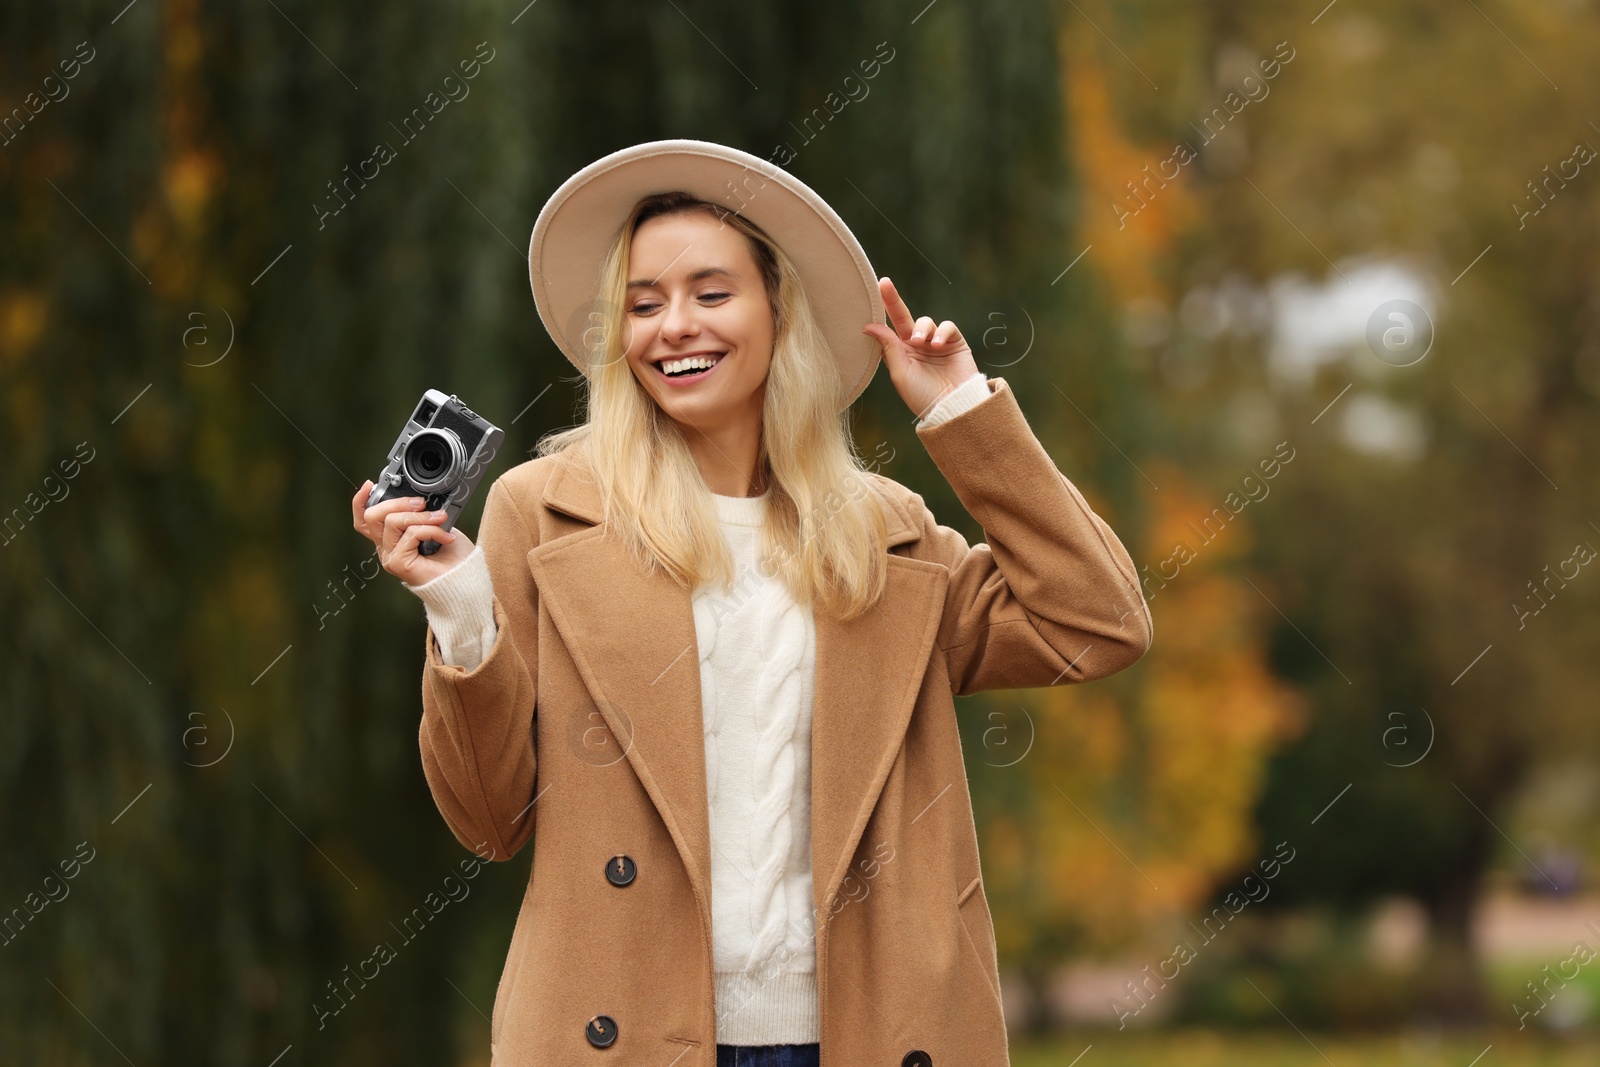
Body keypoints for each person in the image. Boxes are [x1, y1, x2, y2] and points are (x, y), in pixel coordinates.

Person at [351, 139, 1152, 1067]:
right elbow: (490, 818)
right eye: (643, 305)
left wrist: (962, 412)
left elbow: (1098, 622)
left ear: (779, 311)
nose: (673, 326)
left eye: (711, 293)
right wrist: (457, 606)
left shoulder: (882, 534)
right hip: (618, 1036)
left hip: (872, 1033)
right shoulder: (544, 509)